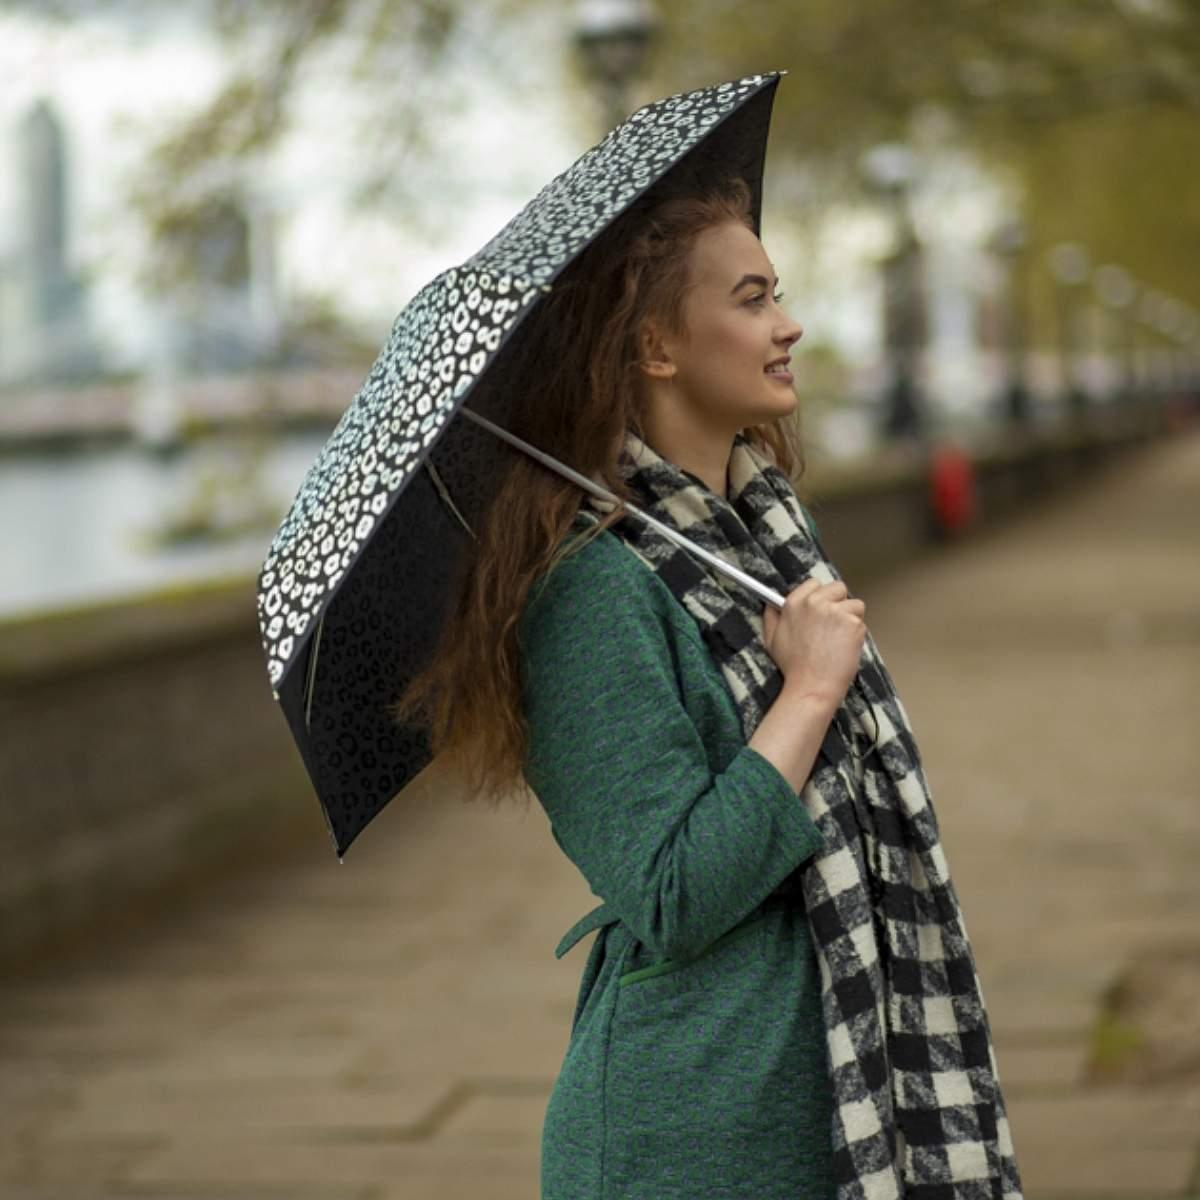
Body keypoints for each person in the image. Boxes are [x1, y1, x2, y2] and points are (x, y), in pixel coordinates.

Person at [398, 179, 1021, 1199]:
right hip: (701, 1127)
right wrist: (807, 694)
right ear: (656, 345)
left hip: (818, 1082)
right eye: (751, 298)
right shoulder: (591, 590)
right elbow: (672, 892)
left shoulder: (764, 540)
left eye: (777, 293)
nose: (788, 324)